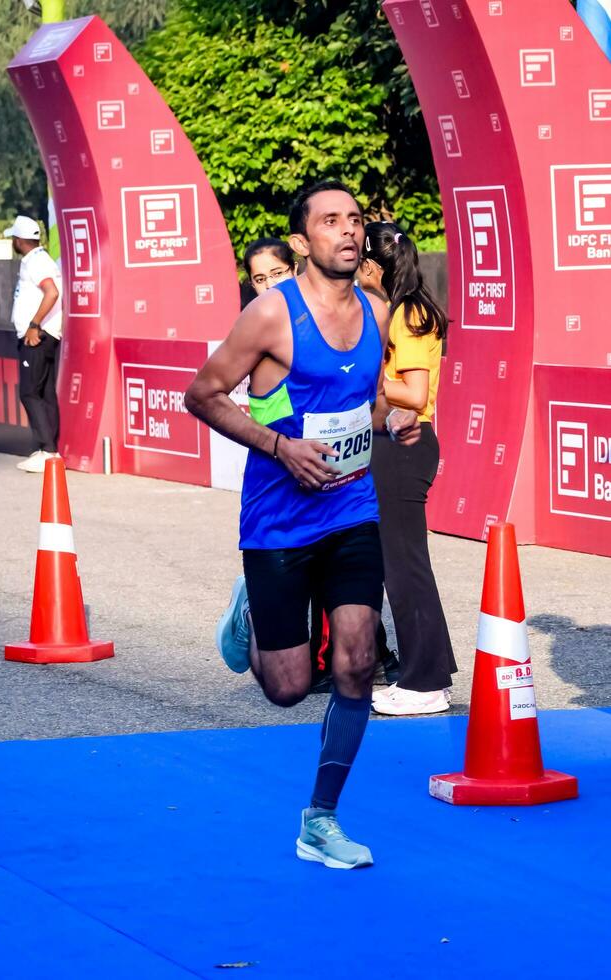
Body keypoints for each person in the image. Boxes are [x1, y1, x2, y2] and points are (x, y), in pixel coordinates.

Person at [185, 181, 419, 869]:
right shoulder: (270, 316)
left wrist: (393, 420)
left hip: (350, 508)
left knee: (355, 662)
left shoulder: (378, 310)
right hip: (279, 516)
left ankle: (321, 818)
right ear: (301, 241)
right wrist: (280, 446)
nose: (348, 231)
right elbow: (201, 394)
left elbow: (363, 405)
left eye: (354, 220)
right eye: (330, 221)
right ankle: (253, 616)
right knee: (287, 687)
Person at [359, 221, 456, 716]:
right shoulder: (390, 312)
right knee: (397, 566)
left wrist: (367, 382)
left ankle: (426, 682)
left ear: (373, 266)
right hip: (388, 445)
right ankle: (427, 674)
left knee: (406, 566)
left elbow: (415, 395)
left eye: (358, 264)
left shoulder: (411, 312)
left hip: (406, 443)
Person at [4, 215, 62, 473]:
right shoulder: (38, 259)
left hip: (37, 335)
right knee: (45, 392)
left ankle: (48, 451)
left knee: (28, 392)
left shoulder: (36, 262)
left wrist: (34, 325)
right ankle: (48, 450)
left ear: (18, 240)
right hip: (43, 334)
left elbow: (51, 292)